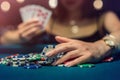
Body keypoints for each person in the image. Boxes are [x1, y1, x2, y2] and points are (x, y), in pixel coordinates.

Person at [0, 0, 120, 66]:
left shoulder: (105, 17)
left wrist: (100, 47)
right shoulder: (49, 20)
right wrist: (20, 36)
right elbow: (4, 39)